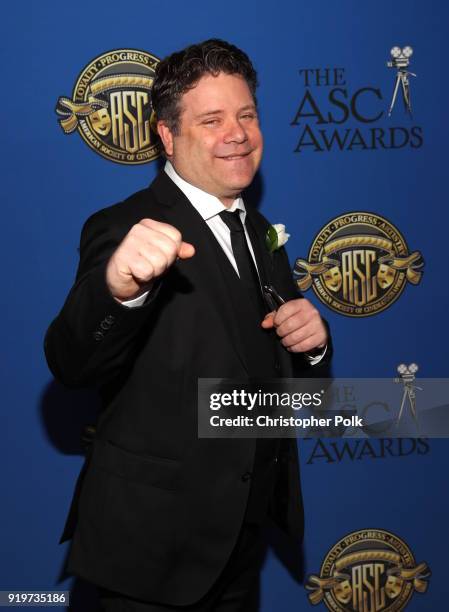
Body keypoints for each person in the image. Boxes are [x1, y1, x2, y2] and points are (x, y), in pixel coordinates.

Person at [45, 39, 332, 611]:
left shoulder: (259, 232)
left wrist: (313, 349)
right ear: (168, 136)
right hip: (151, 553)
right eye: (212, 120)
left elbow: (285, 395)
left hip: (240, 544)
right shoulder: (124, 226)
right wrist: (117, 290)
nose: (238, 133)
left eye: (247, 115)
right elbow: (70, 362)